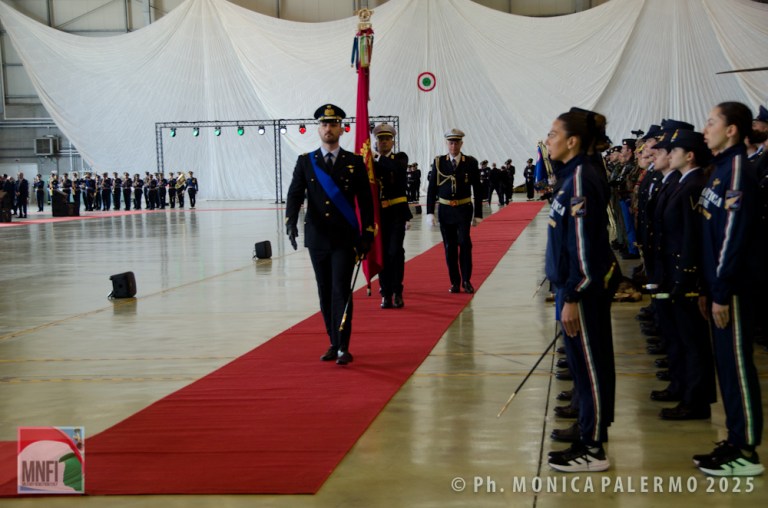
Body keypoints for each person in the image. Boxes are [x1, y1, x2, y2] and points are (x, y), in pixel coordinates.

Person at [544, 108, 616, 473]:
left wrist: (573, 294)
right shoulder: (570, 174)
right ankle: (588, 430)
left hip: (580, 293)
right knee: (582, 368)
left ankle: (595, 448)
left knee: (591, 368)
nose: (548, 139)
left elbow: (585, 246)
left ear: (572, 141)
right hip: (569, 288)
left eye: (554, 133)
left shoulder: (580, 179)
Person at [695, 101, 764, 476]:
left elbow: (732, 239)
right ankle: (735, 437)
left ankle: (747, 450)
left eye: (711, 123)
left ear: (732, 129)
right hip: (719, 286)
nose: (706, 130)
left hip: (733, 289)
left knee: (738, 367)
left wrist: (720, 290)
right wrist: (708, 288)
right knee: (726, 366)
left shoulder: (737, 171)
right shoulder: (721, 168)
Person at [284, 104, 374, 366]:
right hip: (317, 238)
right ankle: (333, 342)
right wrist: (290, 222)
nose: (328, 128)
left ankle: (344, 346)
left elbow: (366, 201)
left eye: (333, 124)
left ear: (341, 129)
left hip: (345, 239)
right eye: (324, 124)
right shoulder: (305, 162)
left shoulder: (354, 163)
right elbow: (294, 194)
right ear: (318, 128)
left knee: (341, 290)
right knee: (324, 291)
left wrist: (367, 232)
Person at [426, 128, 483, 294]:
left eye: (456, 142)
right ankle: (454, 281)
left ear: (461, 143)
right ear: (447, 144)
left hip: (463, 209)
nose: (453, 146)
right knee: (449, 246)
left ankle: (466, 280)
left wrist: (478, 214)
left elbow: (478, 189)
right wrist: (430, 212)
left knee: (465, 243)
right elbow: (431, 189)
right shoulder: (439, 162)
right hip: (445, 210)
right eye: (451, 142)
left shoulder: (470, 162)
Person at [373, 123, 412, 309]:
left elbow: (396, 169)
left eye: (387, 139)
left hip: (397, 213)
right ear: (376, 142)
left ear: (392, 141)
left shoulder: (400, 158)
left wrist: (377, 158)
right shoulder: (372, 162)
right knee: (382, 254)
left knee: (395, 251)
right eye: (381, 139)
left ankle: (397, 291)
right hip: (379, 214)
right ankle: (385, 292)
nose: (384, 142)